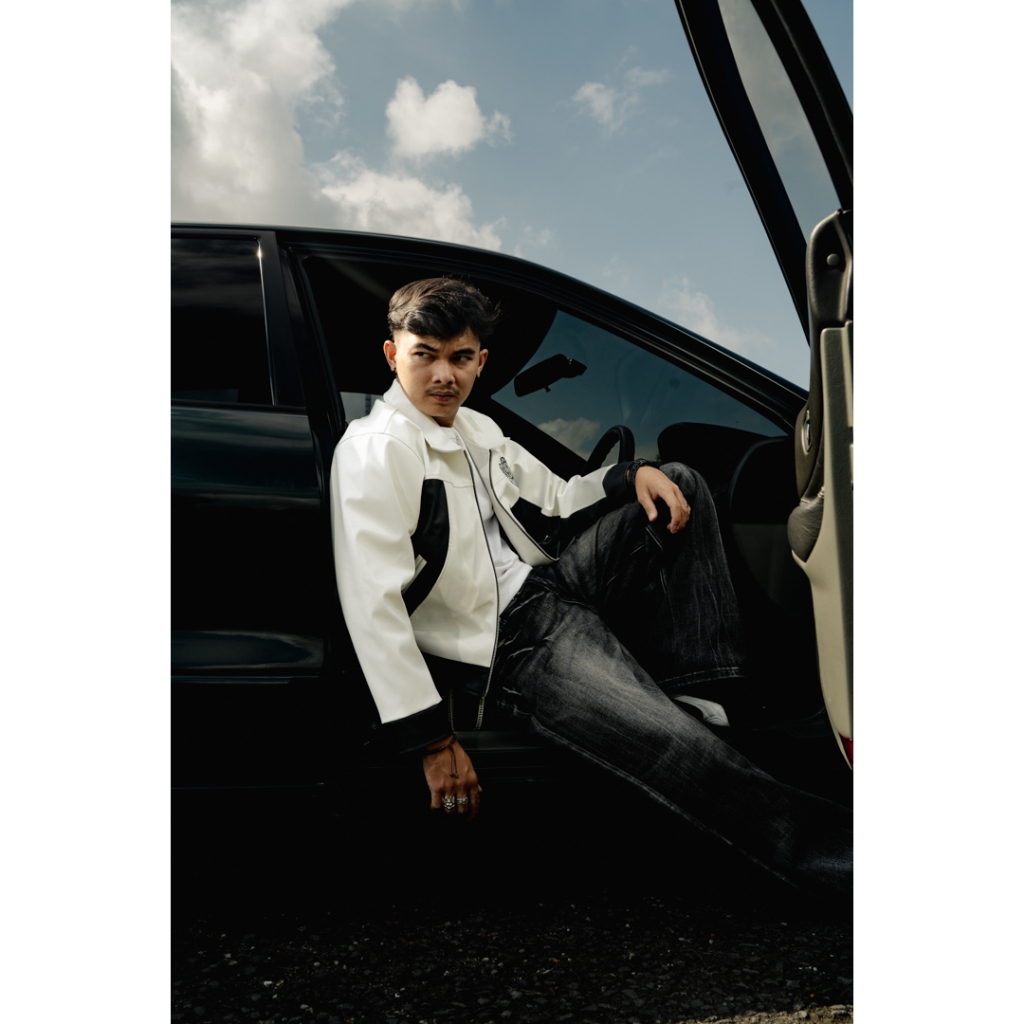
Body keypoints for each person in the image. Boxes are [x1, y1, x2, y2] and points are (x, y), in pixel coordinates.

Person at [330, 277, 851, 895]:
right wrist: (432, 741)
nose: (444, 375)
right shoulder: (376, 450)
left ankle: (700, 696)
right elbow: (374, 605)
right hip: (511, 641)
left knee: (679, 481)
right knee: (675, 748)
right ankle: (840, 860)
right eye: (425, 355)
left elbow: (557, 495)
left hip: (552, 580)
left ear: (481, 361)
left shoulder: (477, 429)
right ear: (393, 355)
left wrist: (635, 475)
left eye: (460, 357)